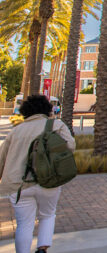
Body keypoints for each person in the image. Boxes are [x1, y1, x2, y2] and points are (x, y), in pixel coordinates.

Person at [0, 95, 75, 253]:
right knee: (47, 215)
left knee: (24, 224)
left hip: (18, 185)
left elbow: (2, 158)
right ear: (46, 109)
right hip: (48, 180)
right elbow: (71, 147)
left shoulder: (16, 131)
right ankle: (42, 248)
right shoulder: (56, 125)